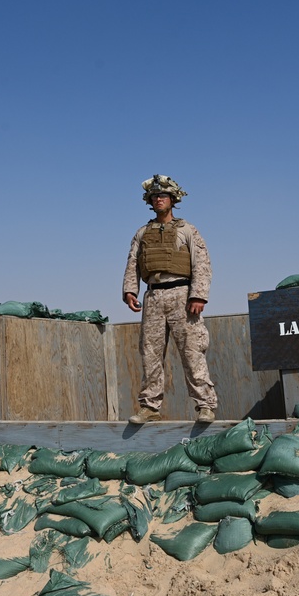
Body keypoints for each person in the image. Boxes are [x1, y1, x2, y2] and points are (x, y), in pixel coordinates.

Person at [122, 174, 218, 424]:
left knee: (192, 351)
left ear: (173, 199)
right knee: (150, 353)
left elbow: (202, 265)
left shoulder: (188, 230)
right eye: (154, 196)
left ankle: (205, 405)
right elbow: (133, 263)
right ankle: (150, 407)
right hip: (153, 296)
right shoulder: (142, 233)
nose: (159, 199)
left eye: (163, 195)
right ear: (149, 201)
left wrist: (198, 295)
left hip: (182, 296)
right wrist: (130, 291)